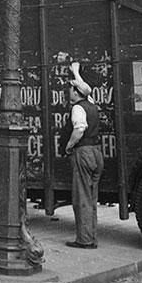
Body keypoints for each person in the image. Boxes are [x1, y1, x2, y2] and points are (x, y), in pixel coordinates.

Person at [61, 62, 102, 248]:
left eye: (71, 89)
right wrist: (76, 72)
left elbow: (79, 128)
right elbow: (85, 89)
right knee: (91, 198)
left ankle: (84, 240)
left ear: (76, 93)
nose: (68, 92)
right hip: (96, 152)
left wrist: (69, 146)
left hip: (83, 152)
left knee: (82, 198)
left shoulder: (78, 108)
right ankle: (91, 238)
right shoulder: (91, 103)